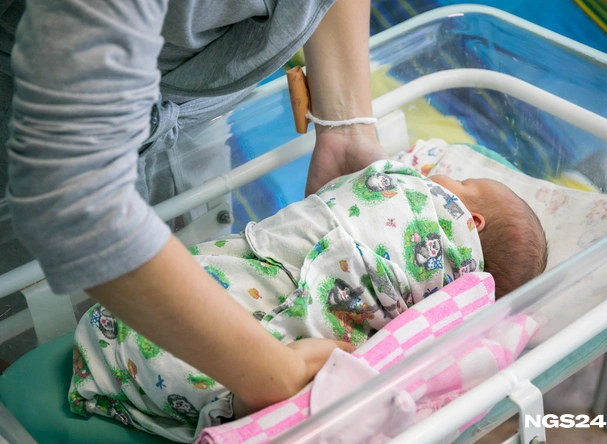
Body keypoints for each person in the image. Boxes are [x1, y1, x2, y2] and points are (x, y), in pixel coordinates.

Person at [3, 0, 386, 415]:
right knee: (34, 337)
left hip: (199, 99)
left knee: (204, 265)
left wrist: (345, 126)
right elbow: (72, 198)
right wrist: (271, 373)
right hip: (36, 127)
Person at [68, 159, 547, 441]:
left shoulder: (425, 202)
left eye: (464, 183)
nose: (442, 174)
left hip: (131, 316)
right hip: (209, 364)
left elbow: (375, 186)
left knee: (217, 281)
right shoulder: (448, 300)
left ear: (472, 219)